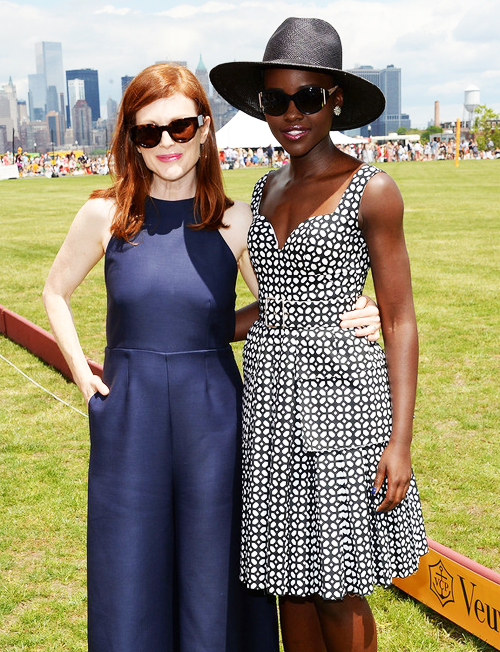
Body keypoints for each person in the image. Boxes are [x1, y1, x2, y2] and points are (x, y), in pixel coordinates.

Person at [42, 61, 380, 652]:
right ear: (131, 139)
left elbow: (282, 304)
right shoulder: (105, 215)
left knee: (211, 568)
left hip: (216, 417)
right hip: (129, 416)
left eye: (180, 127)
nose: (167, 143)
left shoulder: (234, 220)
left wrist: (357, 313)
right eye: (149, 132)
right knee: (131, 562)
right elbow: (54, 292)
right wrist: (81, 375)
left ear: (204, 129)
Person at [210, 17, 427, 652]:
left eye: (307, 97)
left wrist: (401, 443)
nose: (290, 115)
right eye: (275, 101)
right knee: (289, 584)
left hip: (342, 406)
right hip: (272, 404)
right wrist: (174, 330)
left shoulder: (372, 189)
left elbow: (400, 318)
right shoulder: (265, 185)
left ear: (335, 98)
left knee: (337, 589)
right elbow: (272, 305)